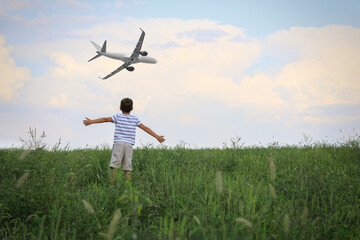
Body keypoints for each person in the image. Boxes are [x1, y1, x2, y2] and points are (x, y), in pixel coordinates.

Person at [83, 98, 165, 181]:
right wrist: (157, 136)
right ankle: (128, 187)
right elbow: (146, 128)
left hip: (119, 144)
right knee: (127, 168)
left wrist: (91, 122)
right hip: (129, 145)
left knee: (115, 167)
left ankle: (113, 185)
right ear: (132, 109)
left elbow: (105, 119)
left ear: (120, 108)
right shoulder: (135, 119)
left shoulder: (118, 117)